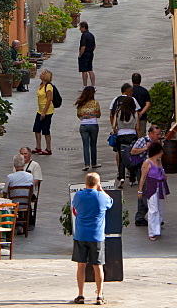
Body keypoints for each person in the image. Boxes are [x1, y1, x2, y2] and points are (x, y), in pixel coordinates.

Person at [71, 172, 112, 305]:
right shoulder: (101, 197)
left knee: (80, 265)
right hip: (97, 235)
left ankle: (81, 294)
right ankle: (99, 295)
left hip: (81, 234)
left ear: (86, 183)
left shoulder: (78, 195)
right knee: (98, 265)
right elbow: (110, 202)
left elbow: (75, 207)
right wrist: (102, 190)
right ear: (98, 183)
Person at [130, 124, 164, 224]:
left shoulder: (157, 142)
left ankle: (140, 217)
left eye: (159, 134)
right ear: (150, 133)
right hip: (143, 169)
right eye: (157, 134)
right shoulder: (142, 140)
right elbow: (133, 151)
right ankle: (153, 214)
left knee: (146, 193)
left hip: (153, 172)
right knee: (146, 192)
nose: (158, 136)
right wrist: (145, 148)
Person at [138, 141, 169, 240]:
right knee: (153, 209)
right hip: (152, 187)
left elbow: (162, 173)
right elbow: (143, 178)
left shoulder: (159, 162)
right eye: (161, 151)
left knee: (160, 209)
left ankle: (157, 229)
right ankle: (151, 232)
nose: (162, 153)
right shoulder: (147, 163)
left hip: (161, 186)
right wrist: (140, 191)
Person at [110, 93, 139, 188]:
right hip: (132, 135)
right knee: (133, 157)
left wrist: (115, 131)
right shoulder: (135, 113)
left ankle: (121, 177)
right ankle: (132, 178)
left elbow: (114, 126)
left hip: (121, 136)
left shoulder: (118, 112)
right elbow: (137, 127)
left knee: (122, 157)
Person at [75, 85, 101, 171]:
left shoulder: (80, 103)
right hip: (93, 124)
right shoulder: (95, 103)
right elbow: (98, 114)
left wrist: (85, 116)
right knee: (93, 144)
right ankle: (94, 163)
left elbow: (79, 115)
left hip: (83, 125)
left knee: (85, 145)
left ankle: (86, 164)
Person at [32, 68, 54, 155]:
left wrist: (44, 112)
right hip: (40, 110)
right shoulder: (41, 85)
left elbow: (49, 100)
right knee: (36, 129)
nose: (40, 74)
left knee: (45, 129)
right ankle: (38, 147)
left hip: (47, 111)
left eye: (42, 73)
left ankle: (48, 148)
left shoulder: (48, 86)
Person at [78, 21, 96, 87]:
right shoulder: (91, 35)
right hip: (90, 54)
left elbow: (83, 47)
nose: (80, 29)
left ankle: (85, 86)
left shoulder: (84, 35)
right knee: (90, 70)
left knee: (84, 71)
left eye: (80, 27)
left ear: (84, 27)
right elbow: (94, 46)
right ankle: (93, 85)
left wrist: (80, 54)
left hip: (85, 55)